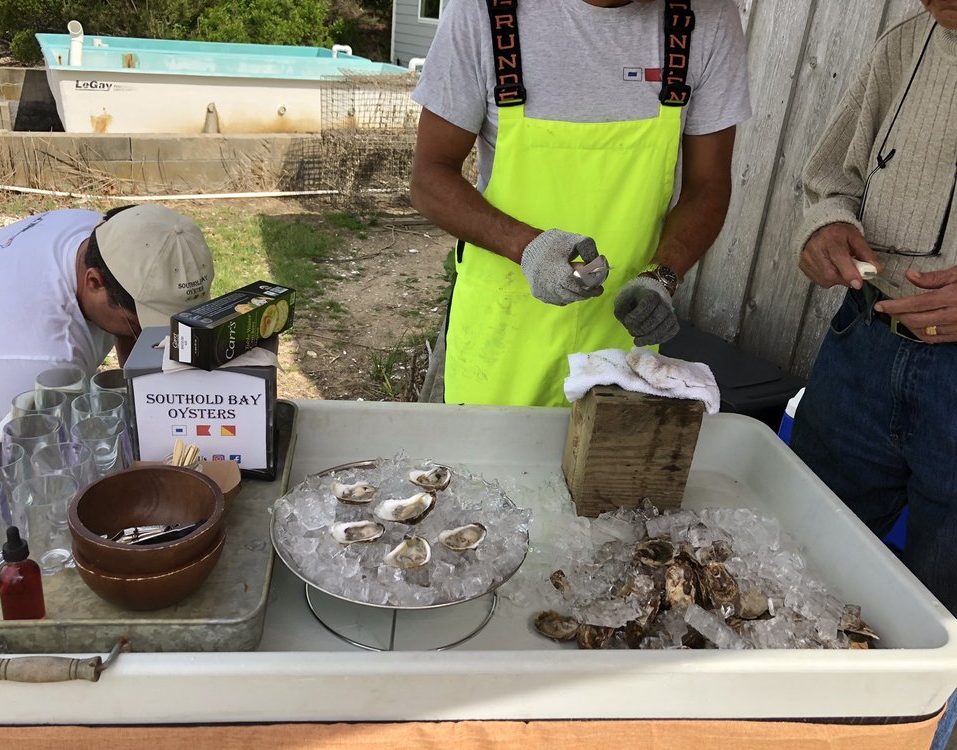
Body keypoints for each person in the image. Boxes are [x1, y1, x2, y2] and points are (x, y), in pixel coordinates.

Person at [409, 0, 750, 406]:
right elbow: (430, 176)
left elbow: (707, 187)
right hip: (499, 336)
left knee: (604, 467)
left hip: (619, 350)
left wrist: (662, 276)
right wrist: (528, 247)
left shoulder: (705, 20)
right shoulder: (483, 12)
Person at [790, 4, 956, 747]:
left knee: (941, 624)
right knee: (801, 561)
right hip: (862, 348)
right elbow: (831, 175)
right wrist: (826, 221)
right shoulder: (905, 44)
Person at [0, 204, 214, 443]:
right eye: (142, 325)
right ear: (94, 282)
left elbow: (133, 339)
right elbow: (33, 456)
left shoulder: (103, 236)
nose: (154, 338)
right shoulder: (39, 359)